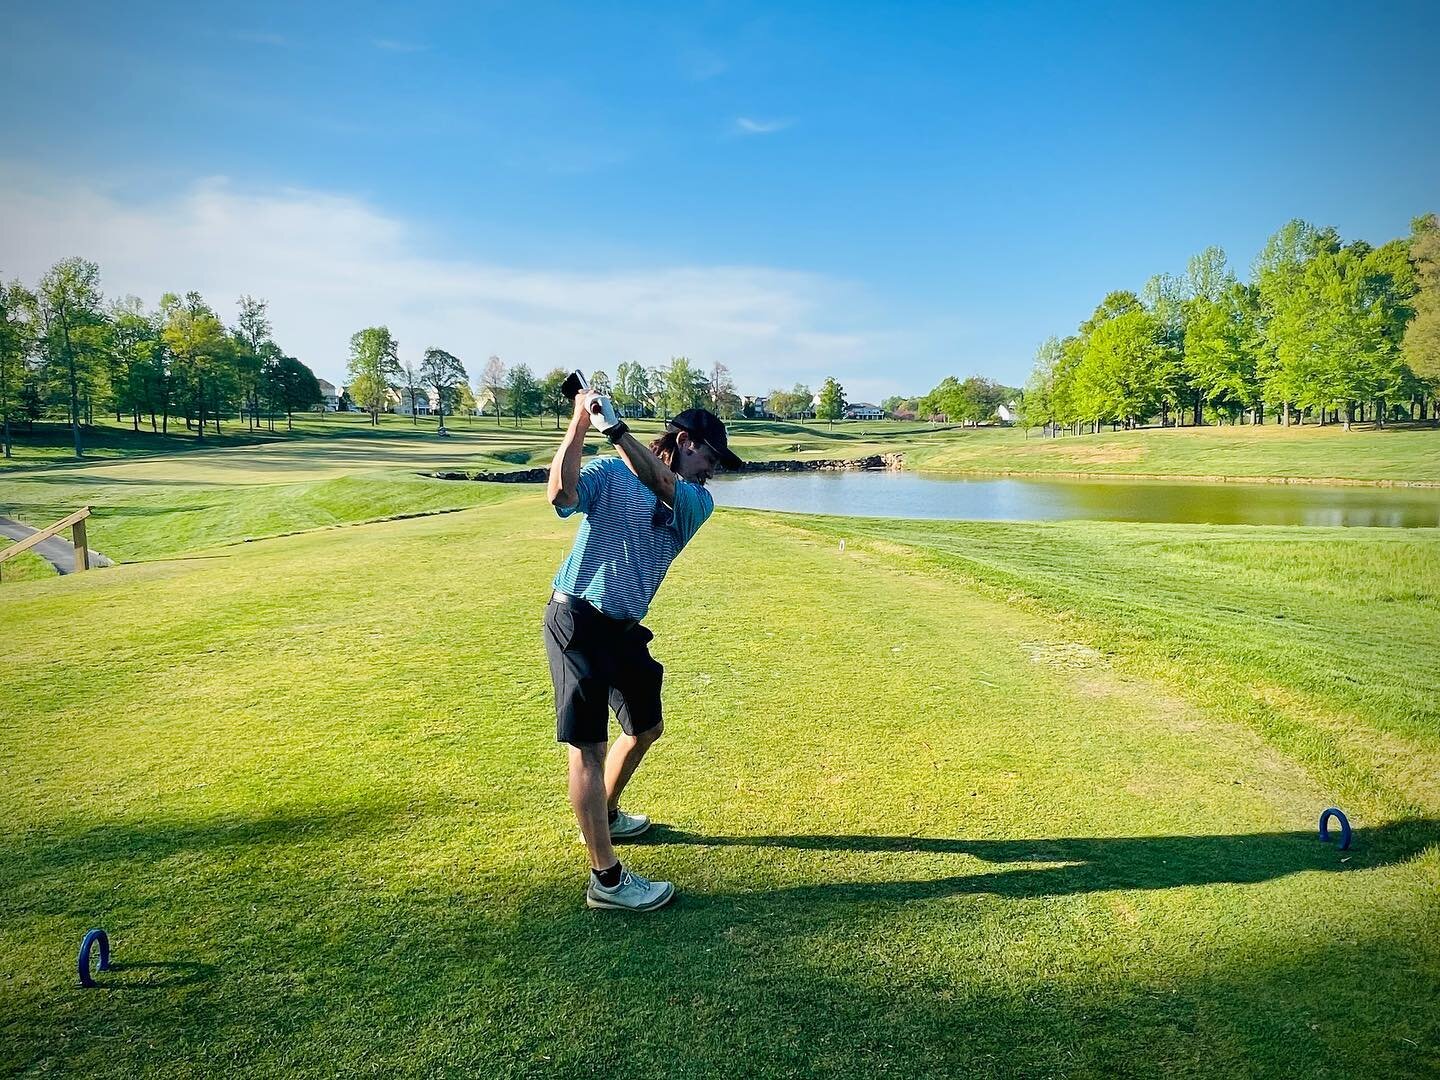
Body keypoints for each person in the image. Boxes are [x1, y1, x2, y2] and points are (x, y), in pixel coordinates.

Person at [544, 390, 742, 911]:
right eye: (711, 458)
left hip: (623, 628)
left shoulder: (696, 499)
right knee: (588, 747)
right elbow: (560, 496)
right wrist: (580, 425)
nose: (714, 471)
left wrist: (616, 429)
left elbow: (659, 481)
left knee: (645, 727)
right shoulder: (611, 474)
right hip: (577, 619)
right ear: (685, 442)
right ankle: (606, 880)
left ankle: (605, 815)